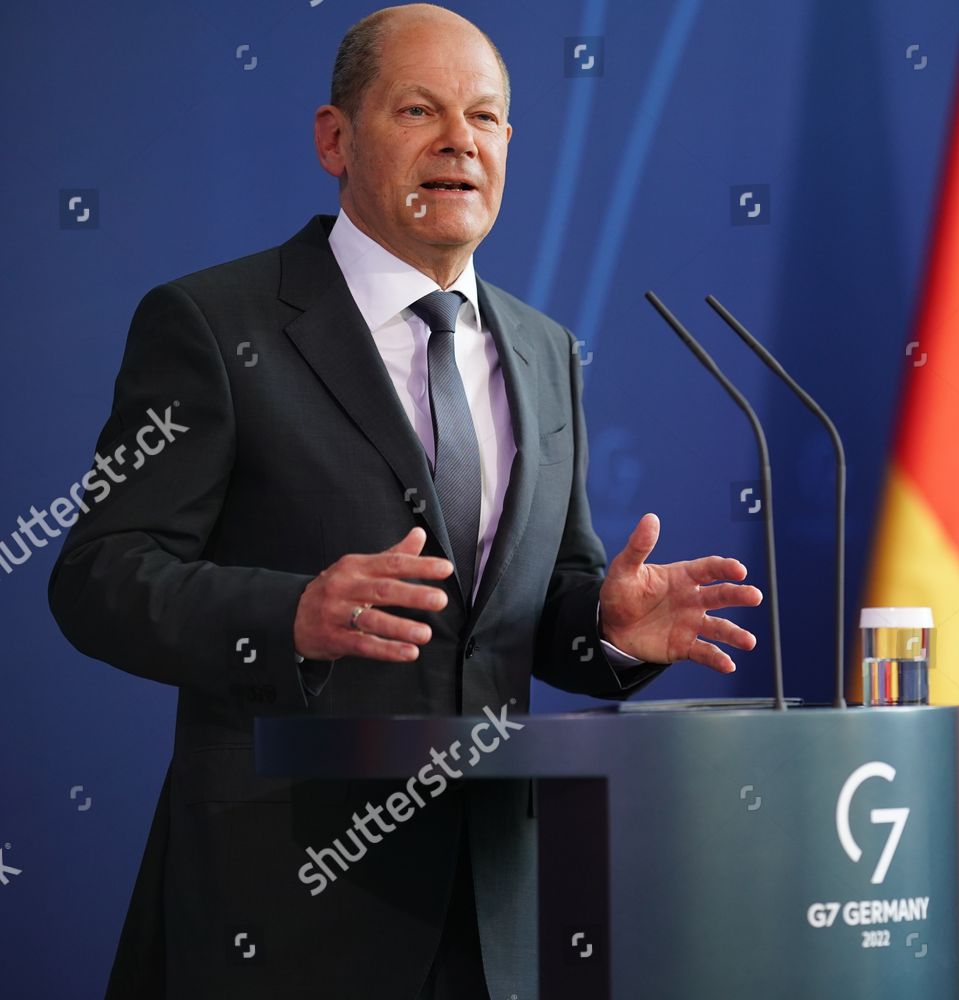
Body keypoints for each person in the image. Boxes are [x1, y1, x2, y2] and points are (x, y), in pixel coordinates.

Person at [47, 5, 761, 997]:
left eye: (485, 117)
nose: (459, 140)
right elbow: (96, 574)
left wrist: (606, 626)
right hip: (285, 910)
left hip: (501, 913)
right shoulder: (214, 325)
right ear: (334, 139)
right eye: (419, 109)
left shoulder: (545, 349)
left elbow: (533, 605)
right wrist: (289, 615)